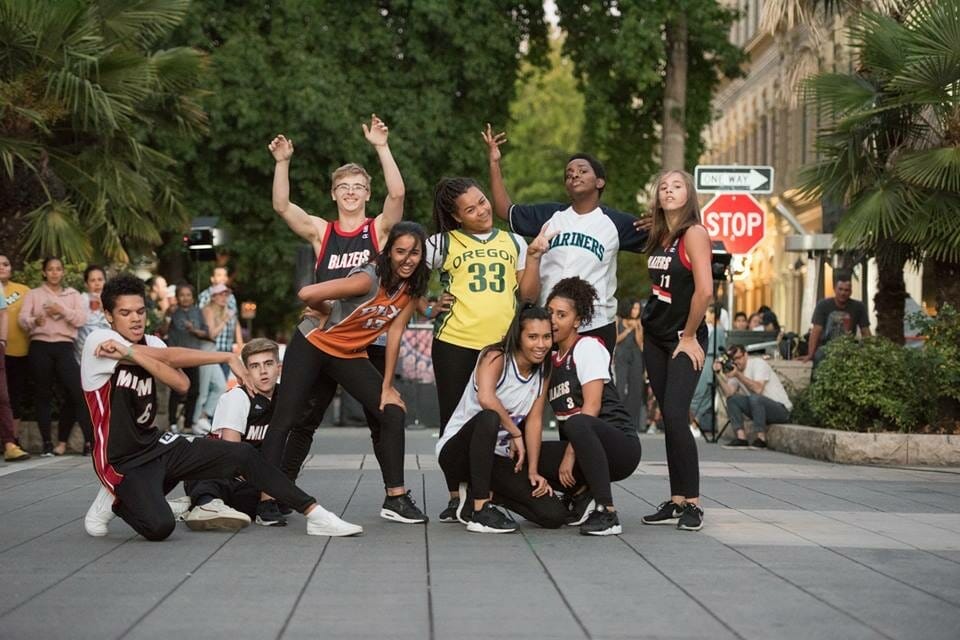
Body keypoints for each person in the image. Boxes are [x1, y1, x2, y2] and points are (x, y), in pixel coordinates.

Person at [81, 273, 362, 540]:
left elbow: (181, 383)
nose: (135, 319)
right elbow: (169, 357)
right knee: (160, 526)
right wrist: (214, 357)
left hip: (157, 445)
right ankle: (116, 499)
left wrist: (133, 353)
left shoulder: (149, 342)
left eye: (140, 311)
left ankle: (317, 515)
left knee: (240, 453)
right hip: (120, 459)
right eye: (125, 313)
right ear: (108, 316)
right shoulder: (98, 341)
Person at [262, 222, 430, 524]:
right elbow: (306, 292)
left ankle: (396, 498)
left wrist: (388, 386)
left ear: (422, 254)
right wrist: (325, 309)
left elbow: (395, 334)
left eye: (414, 252)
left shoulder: (410, 288)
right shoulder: (366, 280)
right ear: (389, 251)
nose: (407, 259)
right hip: (314, 343)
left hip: (347, 353)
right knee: (287, 417)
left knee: (391, 411)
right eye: (400, 251)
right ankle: (267, 497)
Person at [267, 115, 403, 477]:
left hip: (366, 337)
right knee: (304, 418)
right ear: (333, 193)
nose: (351, 192)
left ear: (367, 194)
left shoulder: (377, 230)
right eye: (344, 186)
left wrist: (381, 147)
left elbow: (398, 195)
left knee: (382, 415)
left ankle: (395, 495)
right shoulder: (321, 231)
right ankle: (282, 489)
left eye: (358, 186)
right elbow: (282, 206)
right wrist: (283, 163)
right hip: (325, 335)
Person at [425, 177, 552, 520]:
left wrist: (536, 256)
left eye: (482, 202)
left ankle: (486, 489)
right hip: (455, 341)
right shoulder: (442, 243)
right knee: (456, 419)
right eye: (471, 209)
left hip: (501, 346)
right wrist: (426, 305)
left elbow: (527, 295)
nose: (482, 211)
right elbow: (402, 267)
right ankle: (458, 496)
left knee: (497, 417)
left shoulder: (513, 241)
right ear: (456, 217)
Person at [484, 124, 648, 355]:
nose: (574, 175)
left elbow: (660, 239)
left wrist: (662, 222)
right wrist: (494, 163)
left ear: (600, 182)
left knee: (589, 389)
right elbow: (504, 210)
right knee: (549, 387)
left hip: (596, 322)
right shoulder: (550, 216)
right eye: (569, 174)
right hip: (549, 321)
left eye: (582, 170)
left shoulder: (616, 223)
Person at [436, 304, 568, 533]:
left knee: (553, 515)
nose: (541, 344)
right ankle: (480, 511)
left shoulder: (544, 369)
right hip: (457, 453)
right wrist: (515, 432)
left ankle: (485, 495)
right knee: (489, 417)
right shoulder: (495, 356)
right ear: (518, 336)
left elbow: (535, 420)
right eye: (533, 337)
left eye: (547, 337)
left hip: (495, 460)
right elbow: (486, 398)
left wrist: (533, 470)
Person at [531, 278, 641, 536]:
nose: (554, 320)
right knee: (524, 455)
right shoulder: (548, 361)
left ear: (577, 320)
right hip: (584, 449)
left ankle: (607, 512)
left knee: (578, 422)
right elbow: (540, 416)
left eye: (562, 315)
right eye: (550, 313)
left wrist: (569, 457)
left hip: (620, 448)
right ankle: (580, 496)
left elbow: (591, 406)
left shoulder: (587, 347)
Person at [639, 170, 713, 532]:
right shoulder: (659, 235)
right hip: (655, 336)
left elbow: (705, 291)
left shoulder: (695, 233)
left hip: (684, 338)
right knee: (669, 418)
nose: (668, 191)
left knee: (674, 411)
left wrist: (689, 335)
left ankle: (694, 505)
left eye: (677, 186)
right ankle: (676, 498)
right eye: (663, 187)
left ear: (690, 194)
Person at [182, 338, 291, 529]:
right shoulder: (238, 397)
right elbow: (234, 455)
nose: (263, 371)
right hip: (216, 469)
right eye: (255, 366)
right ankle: (204, 503)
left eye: (268, 364)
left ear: (279, 368)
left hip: (252, 474)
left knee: (280, 494)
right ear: (246, 372)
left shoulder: (285, 398)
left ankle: (191, 504)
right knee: (220, 481)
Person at [18, 257, 93, 456]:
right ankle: (47, 444)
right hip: (40, 346)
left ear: (63, 272)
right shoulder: (34, 294)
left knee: (79, 392)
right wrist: (36, 320)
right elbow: (22, 320)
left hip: (64, 347)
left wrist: (61, 309)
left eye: (58, 269)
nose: (54, 272)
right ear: (44, 272)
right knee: (42, 395)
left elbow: (81, 319)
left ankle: (89, 442)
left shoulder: (73, 295)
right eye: (50, 269)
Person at [716, 344, 793, 449]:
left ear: (746, 355)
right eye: (733, 359)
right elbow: (729, 393)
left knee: (755, 397)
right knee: (732, 399)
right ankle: (741, 438)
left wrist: (738, 375)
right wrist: (718, 374)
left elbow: (758, 389)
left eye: (738, 358)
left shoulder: (758, 363)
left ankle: (761, 440)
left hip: (781, 410)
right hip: (760, 410)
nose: (736, 362)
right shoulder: (736, 370)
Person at [798, 271, 871, 367]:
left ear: (850, 292)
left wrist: (871, 351)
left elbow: (865, 331)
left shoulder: (858, 307)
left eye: (846, 290)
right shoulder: (823, 305)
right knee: (819, 357)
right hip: (826, 348)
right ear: (834, 289)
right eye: (840, 289)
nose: (843, 293)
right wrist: (811, 354)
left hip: (849, 347)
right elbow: (816, 331)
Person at [165, 284, 208, 432]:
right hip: (177, 356)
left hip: (193, 355)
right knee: (176, 390)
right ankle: (172, 423)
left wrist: (193, 329)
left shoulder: (198, 312)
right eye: (182, 295)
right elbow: (166, 332)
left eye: (188, 295)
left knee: (194, 391)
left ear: (193, 297)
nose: (185, 298)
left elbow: (205, 333)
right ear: (177, 298)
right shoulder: (173, 313)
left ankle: (188, 424)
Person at [0, 254, 30, 450]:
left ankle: (13, 439)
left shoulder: (24, 291)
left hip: (18, 352)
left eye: (5, 264)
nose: (2, 267)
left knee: (12, 397)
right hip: (2, 351)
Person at [690, 304, 726, 436]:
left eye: (709, 313)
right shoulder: (715, 329)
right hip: (708, 360)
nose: (707, 316)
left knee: (702, 393)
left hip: (711, 361)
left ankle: (694, 423)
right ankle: (694, 423)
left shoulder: (719, 330)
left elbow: (721, 350)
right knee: (701, 393)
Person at [614, 298, 646, 435]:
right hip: (621, 355)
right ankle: (618, 421)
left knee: (636, 389)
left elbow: (641, 344)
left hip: (635, 356)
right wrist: (628, 330)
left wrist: (637, 327)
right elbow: (616, 340)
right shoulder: (618, 320)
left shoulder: (640, 323)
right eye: (634, 308)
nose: (635, 311)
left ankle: (633, 423)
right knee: (620, 388)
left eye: (638, 309)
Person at [74, 265, 111, 363]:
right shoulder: (81, 299)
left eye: (100, 279)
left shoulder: (112, 300)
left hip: (108, 351)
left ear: (105, 282)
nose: (97, 284)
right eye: (92, 280)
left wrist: (103, 307)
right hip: (84, 350)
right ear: (86, 284)